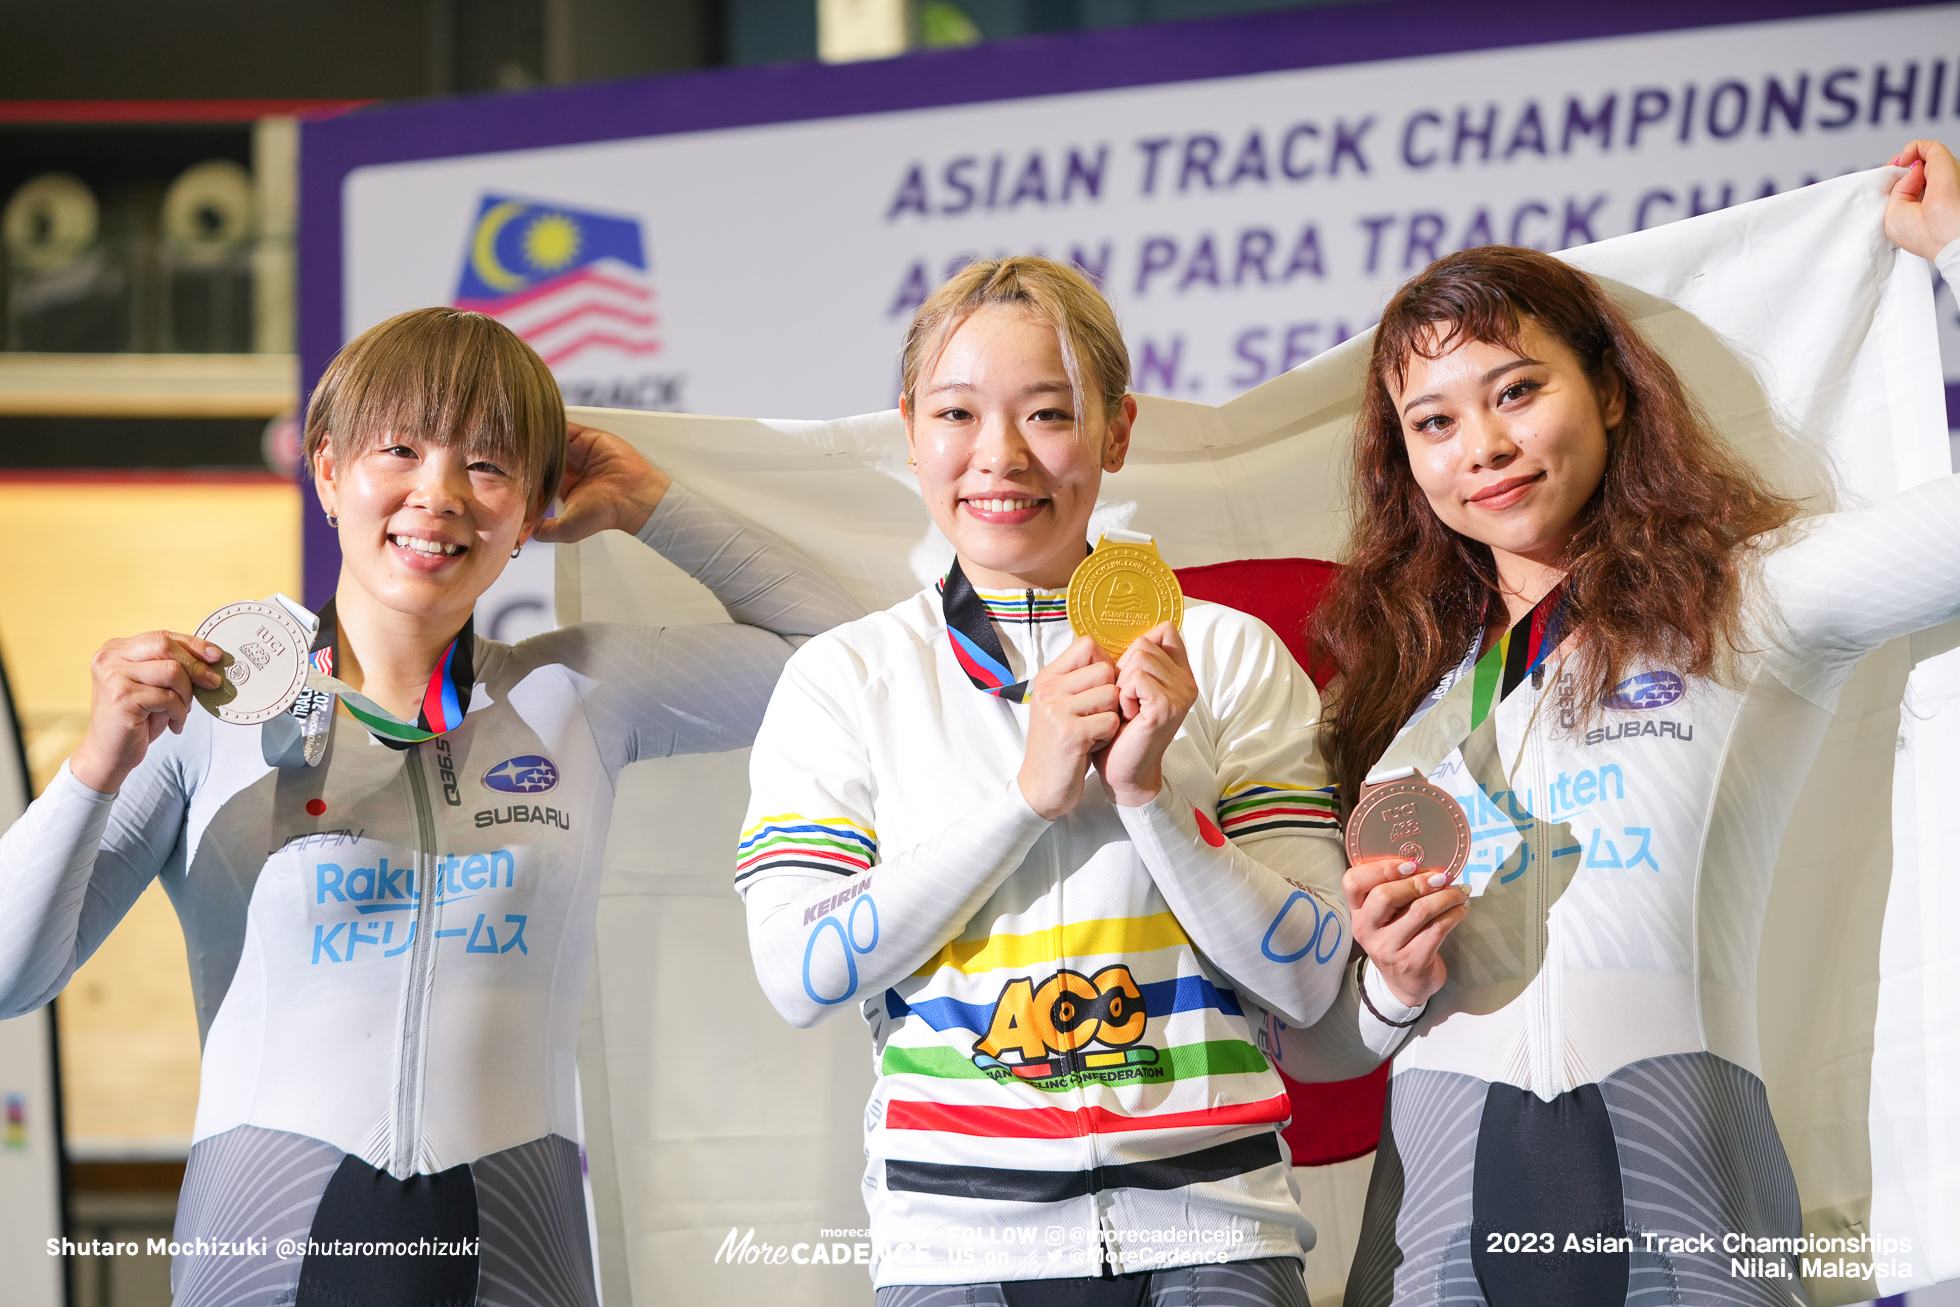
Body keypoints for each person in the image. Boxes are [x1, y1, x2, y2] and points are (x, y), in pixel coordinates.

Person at [0, 307, 862, 1307]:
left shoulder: (583, 690)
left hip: (517, 1238)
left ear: (537, 507)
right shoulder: (206, 714)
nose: (440, 494)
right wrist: (99, 760)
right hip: (265, 1240)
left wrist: (647, 502)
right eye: (399, 449)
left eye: (490, 465)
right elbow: (10, 976)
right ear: (326, 471)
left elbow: (845, 661)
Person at [1303, 141, 1960, 1306]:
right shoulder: (1404, 724)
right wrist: (1389, 986)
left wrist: (1953, 245)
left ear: (1607, 388)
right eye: (1434, 421)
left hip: (1683, 1176)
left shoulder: (1753, 598)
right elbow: (1327, 1046)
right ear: (1405, 461)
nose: (1483, 447)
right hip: (1447, 1207)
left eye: (1516, 389)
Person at [736, 255, 1459, 1306]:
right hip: (956, 1254)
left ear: (1117, 430)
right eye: (956, 414)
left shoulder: (1233, 654)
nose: (998, 457)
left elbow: (1308, 985)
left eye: (1047, 413)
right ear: (908, 430)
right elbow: (799, 972)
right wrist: (1021, 797)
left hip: (1220, 1234)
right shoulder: (846, 675)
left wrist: (1150, 796)